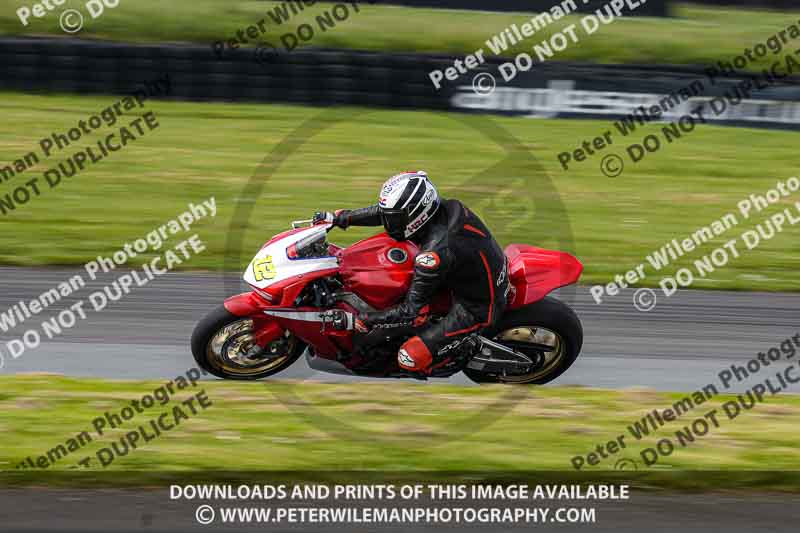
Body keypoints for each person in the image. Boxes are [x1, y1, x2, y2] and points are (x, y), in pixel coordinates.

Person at [313, 170, 510, 375]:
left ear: (417, 214)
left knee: (409, 358)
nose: (389, 224)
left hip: (476, 306)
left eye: (395, 220)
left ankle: (467, 346)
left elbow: (410, 311)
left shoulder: (434, 254)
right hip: (464, 271)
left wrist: (364, 319)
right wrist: (340, 218)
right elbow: (385, 212)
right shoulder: (439, 209)